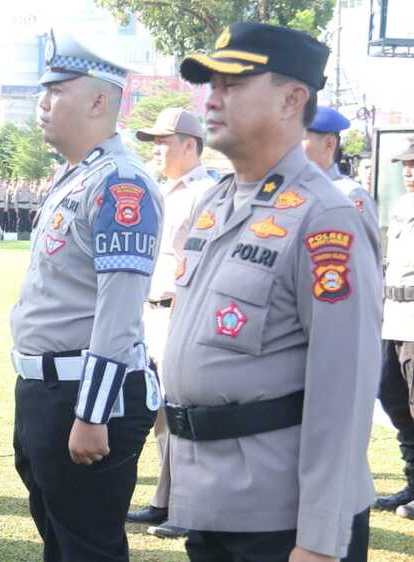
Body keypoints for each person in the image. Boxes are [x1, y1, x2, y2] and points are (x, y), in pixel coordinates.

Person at [166, 22, 380, 561]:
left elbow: (345, 388)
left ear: (292, 99)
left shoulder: (325, 216)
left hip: (280, 517)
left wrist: (320, 540)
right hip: (213, 500)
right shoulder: (216, 202)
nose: (211, 99)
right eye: (210, 85)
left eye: (233, 84)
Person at [9, 29, 162, 562]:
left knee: (87, 547)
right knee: (61, 539)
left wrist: (93, 413)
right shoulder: (75, 176)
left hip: (87, 396)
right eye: (43, 92)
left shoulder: (121, 183)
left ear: (99, 102)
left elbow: (119, 309)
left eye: (57, 92)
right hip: (46, 388)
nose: (43, 104)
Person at [127, 107, 213, 540]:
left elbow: (206, 263)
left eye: (163, 141)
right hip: (151, 313)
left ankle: (188, 507)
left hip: (181, 314)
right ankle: (165, 499)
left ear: (190, 145)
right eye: (154, 142)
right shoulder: (164, 191)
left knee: (183, 413)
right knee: (162, 414)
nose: (156, 149)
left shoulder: (206, 193)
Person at [376, 137, 414, 520]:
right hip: (393, 317)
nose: (409, 172)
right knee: (392, 396)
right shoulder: (402, 206)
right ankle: (413, 483)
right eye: (406, 165)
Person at [303, 105, 379, 240]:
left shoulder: (349, 193)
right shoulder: (293, 188)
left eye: (300, 138)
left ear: (329, 144)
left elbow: (368, 246)